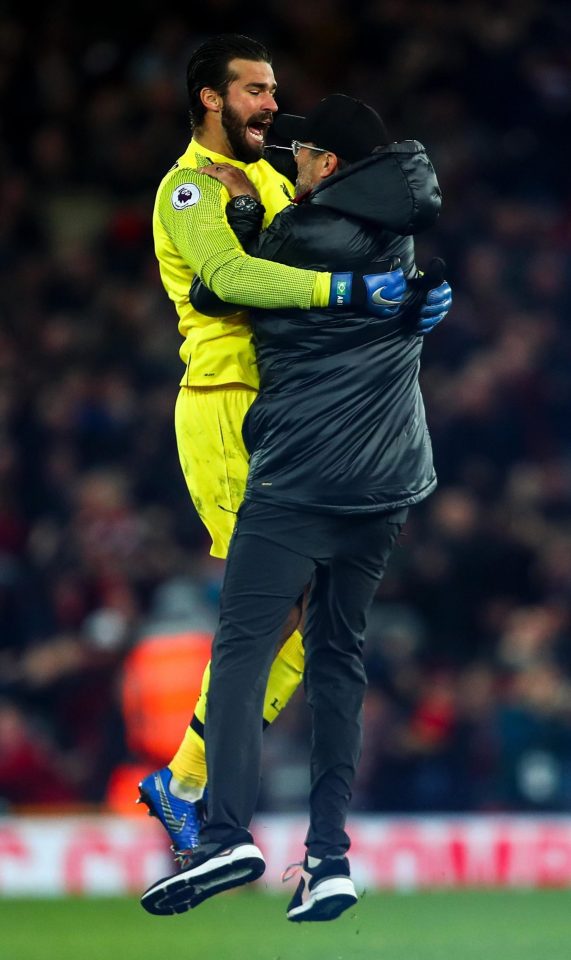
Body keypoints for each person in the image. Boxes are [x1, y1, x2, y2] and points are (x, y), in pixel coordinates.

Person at [140, 94, 450, 922]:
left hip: (300, 476)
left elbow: (224, 288)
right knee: (337, 657)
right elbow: (397, 300)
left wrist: (240, 227)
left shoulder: (301, 235)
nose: (289, 160)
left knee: (244, 647)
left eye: (303, 153)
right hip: (388, 481)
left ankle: (217, 827)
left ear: (330, 166)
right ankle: (329, 856)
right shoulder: (401, 231)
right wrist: (418, 297)